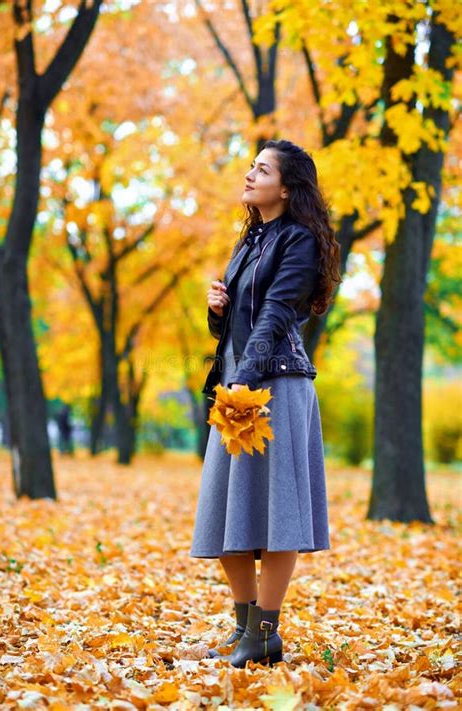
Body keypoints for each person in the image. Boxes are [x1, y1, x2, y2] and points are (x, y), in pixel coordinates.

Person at [189, 139, 342, 668]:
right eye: (251, 166)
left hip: (275, 386)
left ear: (286, 186)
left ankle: (267, 634)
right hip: (237, 383)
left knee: (277, 514)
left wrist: (244, 382)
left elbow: (277, 315)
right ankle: (246, 629)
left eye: (262, 168)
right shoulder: (250, 240)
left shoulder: (298, 240)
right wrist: (217, 311)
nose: (250, 174)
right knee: (225, 508)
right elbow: (238, 323)